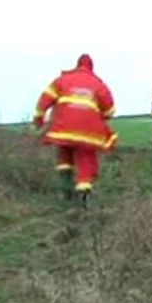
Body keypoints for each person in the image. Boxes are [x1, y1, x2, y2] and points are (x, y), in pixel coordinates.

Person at [33, 54, 117, 206]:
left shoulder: (62, 80)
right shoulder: (98, 84)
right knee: (85, 159)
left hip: (63, 129)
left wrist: (39, 118)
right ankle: (83, 196)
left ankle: (65, 190)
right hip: (87, 133)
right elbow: (110, 110)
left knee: (64, 153)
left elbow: (45, 98)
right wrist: (97, 115)